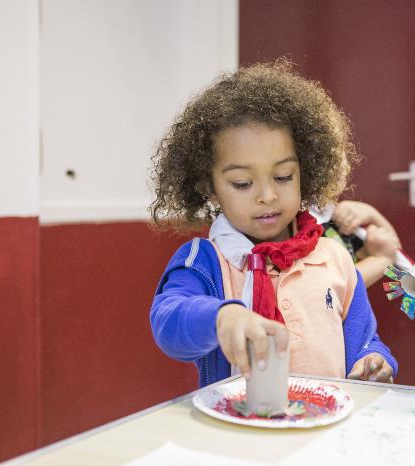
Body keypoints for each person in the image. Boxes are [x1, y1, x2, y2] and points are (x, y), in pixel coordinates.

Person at [149, 60, 397, 388]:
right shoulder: (207, 259)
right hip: (239, 433)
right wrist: (221, 318)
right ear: (209, 187)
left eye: (283, 177)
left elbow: (365, 340)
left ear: (305, 171)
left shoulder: (334, 258)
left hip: (324, 429)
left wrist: (374, 362)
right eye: (242, 183)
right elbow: (168, 320)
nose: (267, 195)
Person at [318, 200, 404, 288]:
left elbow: (394, 253)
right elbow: (328, 287)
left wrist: (372, 215)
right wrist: (381, 259)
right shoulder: (306, 223)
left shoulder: (329, 214)